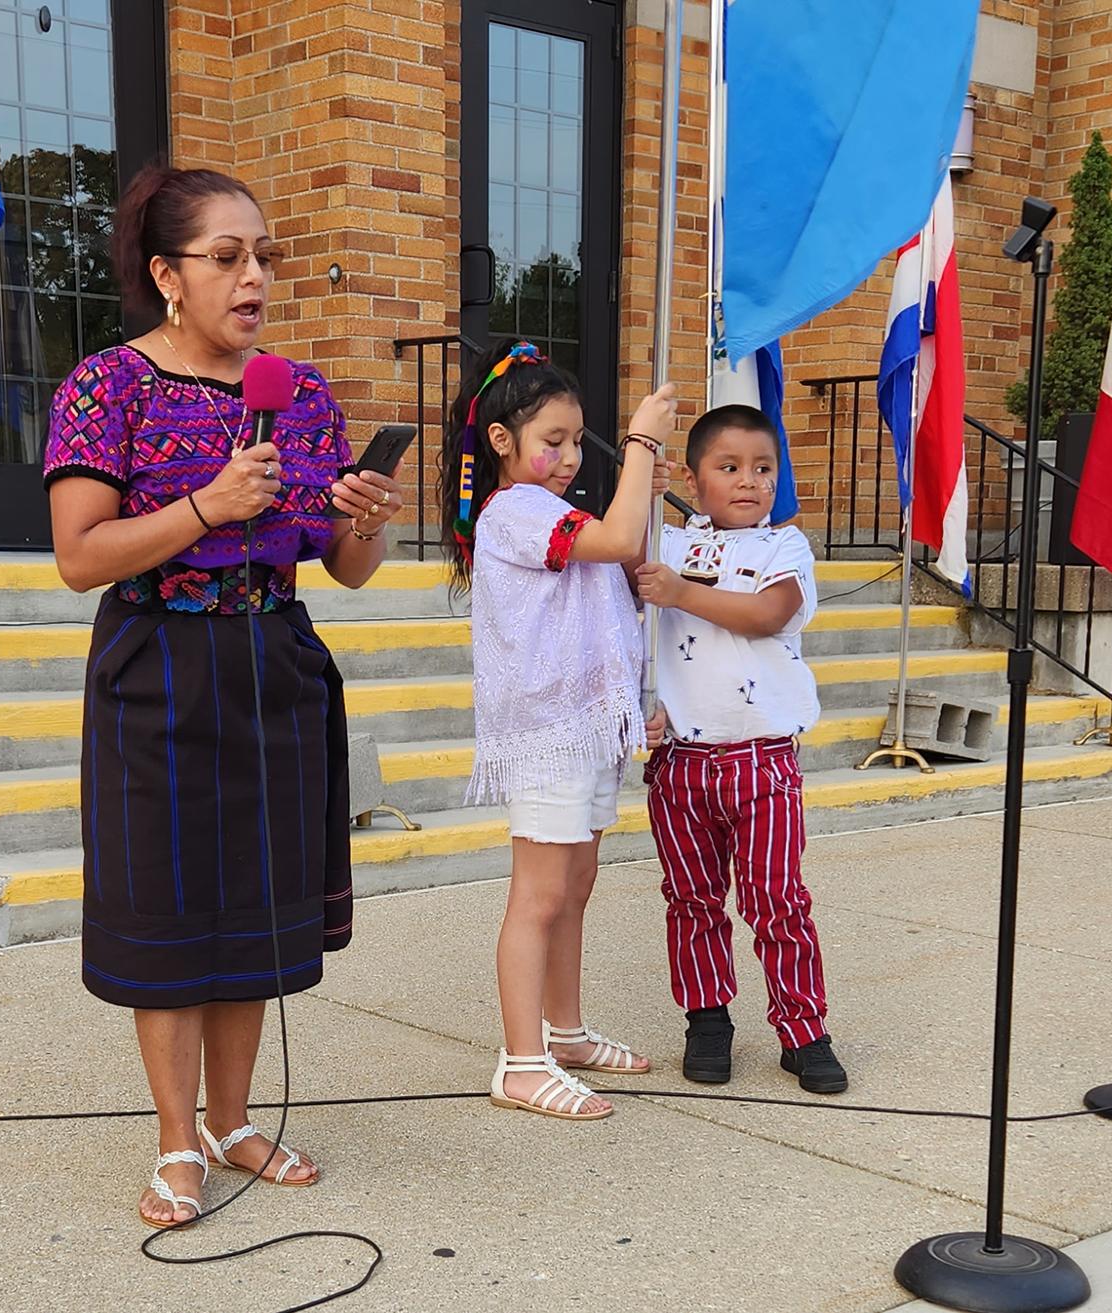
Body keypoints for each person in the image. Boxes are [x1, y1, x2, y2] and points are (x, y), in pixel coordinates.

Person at [42, 164, 406, 1227]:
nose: (254, 278)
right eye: (226, 257)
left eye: (263, 257)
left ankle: (233, 1118)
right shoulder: (108, 387)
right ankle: (173, 1141)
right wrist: (206, 502)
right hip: (160, 663)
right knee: (171, 907)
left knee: (251, 904)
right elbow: (79, 555)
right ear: (167, 274)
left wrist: (367, 512)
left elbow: (346, 565)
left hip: (274, 660)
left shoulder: (304, 395)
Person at [438, 340, 675, 1121]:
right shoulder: (515, 510)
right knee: (539, 895)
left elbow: (620, 559)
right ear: (502, 442)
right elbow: (607, 543)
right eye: (554, 441)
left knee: (575, 885)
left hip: (586, 724)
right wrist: (638, 443)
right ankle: (522, 1060)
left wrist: (645, 480)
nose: (571, 456)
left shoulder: (552, 507)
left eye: (579, 441)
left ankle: (565, 1032)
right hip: (547, 730)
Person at [634, 404, 849, 1094]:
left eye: (763, 468)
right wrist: (642, 478)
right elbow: (623, 587)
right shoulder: (664, 544)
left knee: (778, 899)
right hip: (683, 763)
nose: (750, 481)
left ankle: (803, 1028)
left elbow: (767, 614)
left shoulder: (783, 549)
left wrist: (681, 594)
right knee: (692, 898)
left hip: (763, 761)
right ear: (694, 481)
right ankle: (708, 1019)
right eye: (729, 468)